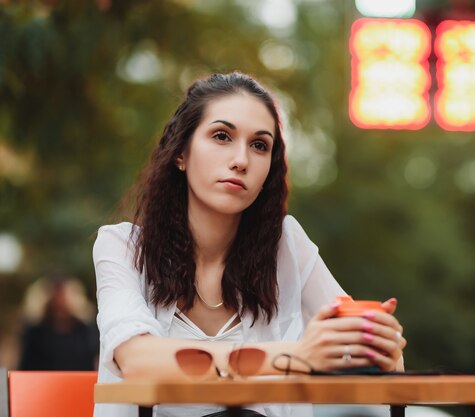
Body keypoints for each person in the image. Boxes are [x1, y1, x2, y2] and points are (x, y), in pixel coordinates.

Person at [93, 72, 406, 417]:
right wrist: (295, 358)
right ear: (180, 153)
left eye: (260, 145)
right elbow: (137, 360)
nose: (241, 160)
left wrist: (378, 346)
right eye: (222, 136)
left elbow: (359, 350)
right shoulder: (122, 246)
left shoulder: (286, 245)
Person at [19, 274, 99, 371]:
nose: (60, 301)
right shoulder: (35, 333)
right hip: (43, 384)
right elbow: (25, 366)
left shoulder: (84, 331)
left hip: (79, 382)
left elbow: (93, 362)